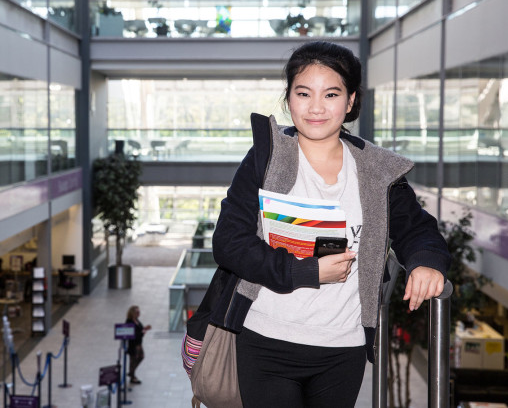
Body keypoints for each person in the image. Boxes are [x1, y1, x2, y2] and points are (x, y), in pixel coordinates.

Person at [189, 41, 451, 408]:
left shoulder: (376, 168)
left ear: (350, 100)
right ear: (288, 99)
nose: (315, 107)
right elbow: (229, 243)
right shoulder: (266, 157)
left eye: (331, 94)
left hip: (343, 349)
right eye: (303, 93)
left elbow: (417, 228)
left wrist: (426, 261)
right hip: (266, 341)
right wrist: (305, 272)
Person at [125, 305, 151, 384]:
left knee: (141, 357)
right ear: (132, 313)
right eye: (137, 312)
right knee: (133, 360)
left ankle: (131, 372)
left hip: (139, 344)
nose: (138, 313)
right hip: (133, 345)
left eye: (139, 312)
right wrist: (142, 332)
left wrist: (144, 329)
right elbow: (133, 335)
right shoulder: (129, 322)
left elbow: (140, 330)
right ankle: (132, 376)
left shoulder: (136, 320)